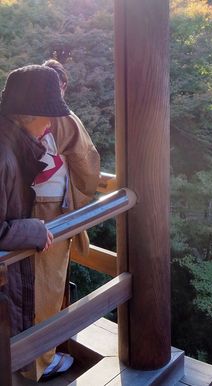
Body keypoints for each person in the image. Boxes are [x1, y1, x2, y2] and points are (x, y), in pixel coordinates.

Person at [22, 59, 100, 381]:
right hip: (50, 208)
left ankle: (25, 353)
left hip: (20, 206)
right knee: (48, 285)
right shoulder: (63, 118)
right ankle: (40, 360)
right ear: (60, 87)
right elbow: (86, 160)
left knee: (24, 283)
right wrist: (84, 195)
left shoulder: (17, 114)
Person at [0, 65, 63, 379]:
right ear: (28, 113)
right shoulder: (4, 154)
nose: (51, 124)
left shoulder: (10, 144)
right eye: (47, 115)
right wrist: (35, 229)